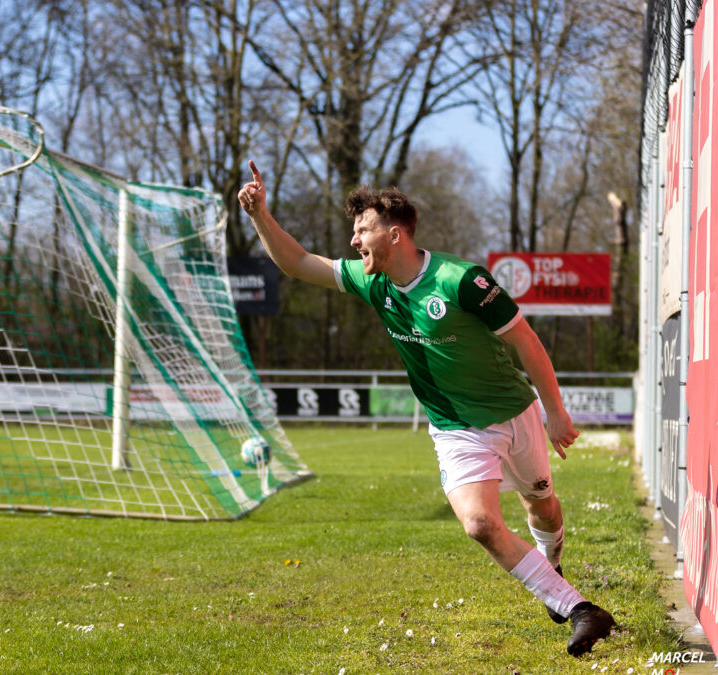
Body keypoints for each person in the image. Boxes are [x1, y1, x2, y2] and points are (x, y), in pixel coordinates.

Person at [237, 160, 615, 657]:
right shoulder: (373, 282)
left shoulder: (462, 281)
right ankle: (578, 608)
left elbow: (527, 343)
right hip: (455, 428)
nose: (354, 241)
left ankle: (551, 566)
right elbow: (298, 263)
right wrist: (260, 213)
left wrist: (556, 412)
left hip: (514, 412)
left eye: (362, 230)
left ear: (395, 235)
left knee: (542, 505)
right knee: (480, 524)